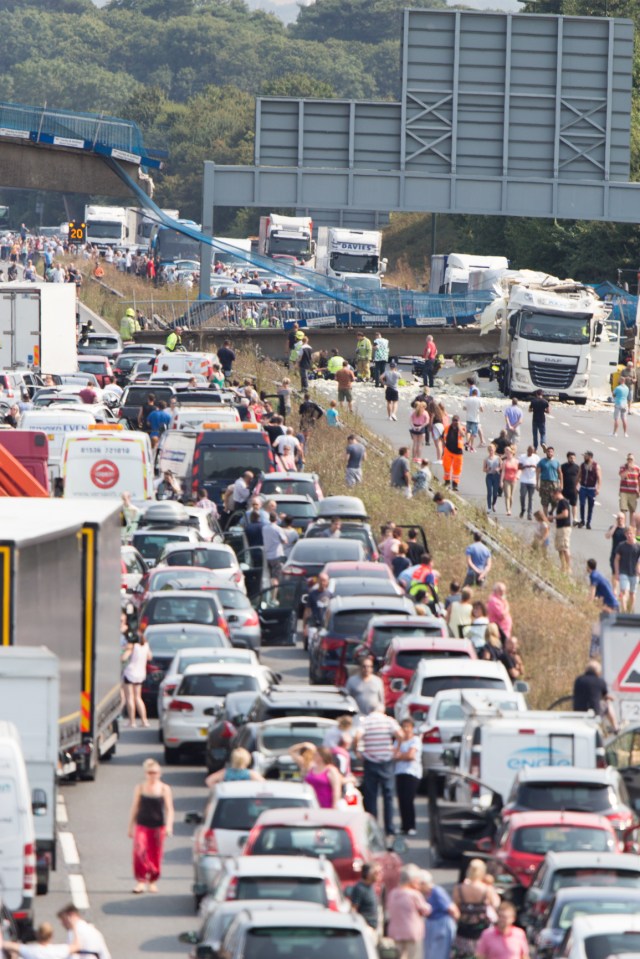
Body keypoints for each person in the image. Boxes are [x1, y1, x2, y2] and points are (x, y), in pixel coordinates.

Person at [127, 758, 174, 895]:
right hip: (142, 824)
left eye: (155, 773)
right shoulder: (140, 788)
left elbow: (169, 809)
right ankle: (141, 880)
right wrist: (130, 826)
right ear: (145, 773)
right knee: (140, 851)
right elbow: (135, 807)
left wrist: (169, 826)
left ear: (160, 773)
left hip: (158, 826)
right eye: (150, 773)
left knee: (155, 854)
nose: (152, 775)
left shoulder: (165, 789)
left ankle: (152, 881)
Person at [354, 705, 402, 838]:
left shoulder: (366, 721)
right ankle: (389, 828)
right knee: (388, 796)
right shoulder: (388, 721)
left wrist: (357, 751)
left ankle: (373, 828)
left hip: (370, 760)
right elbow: (400, 735)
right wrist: (396, 749)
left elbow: (357, 736)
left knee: (371, 796)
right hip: (386, 760)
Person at [452, 859, 500, 959]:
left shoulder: (459, 888)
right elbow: (496, 903)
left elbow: (455, 906)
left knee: (462, 954)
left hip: (463, 928)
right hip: (480, 928)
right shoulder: (486, 889)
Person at [387, 865, 431, 959]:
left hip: (395, 931)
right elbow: (426, 910)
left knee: (398, 956)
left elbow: (389, 908)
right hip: (412, 931)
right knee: (412, 956)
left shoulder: (393, 893)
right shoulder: (414, 894)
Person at [288, 742, 342, 808]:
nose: (313, 756)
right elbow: (291, 751)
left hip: (326, 805)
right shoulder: (310, 767)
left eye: (316, 754)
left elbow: (336, 789)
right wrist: (303, 745)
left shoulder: (331, 770)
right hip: (311, 804)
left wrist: (334, 805)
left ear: (321, 757)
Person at [421, 871, 459, 959]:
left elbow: (452, 909)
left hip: (441, 925)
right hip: (432, 924)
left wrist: (456, 925)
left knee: (440, 953)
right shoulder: (426, 893)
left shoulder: (437, 891)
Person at [394, 718, 421, 835]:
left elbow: (411, 755)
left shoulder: (415, 740)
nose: (405, 729)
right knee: (401, 800)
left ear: (412, 728)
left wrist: (401, 756)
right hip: (400, 772)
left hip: (412, 773)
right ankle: (404, 826)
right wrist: (400, 745)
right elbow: (394, 754)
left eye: (408, 727)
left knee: (408, 799)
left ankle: (411, 826)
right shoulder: (398, 741)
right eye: (403, 727)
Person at [573, 660, 618, 731]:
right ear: (597, 671)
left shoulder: (578, 680)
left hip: (578, 712)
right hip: (594, 712)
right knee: (607, 703)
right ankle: (615, 727)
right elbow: (605, 696)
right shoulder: (600, 681)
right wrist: (612, 697)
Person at [121, 631, 152, 728]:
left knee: (130, 697)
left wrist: (125, 650)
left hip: (130, 672)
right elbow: (149, 657)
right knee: (138, 697)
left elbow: (123, 658)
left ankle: (132, 721)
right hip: (141, 673)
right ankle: (144, 720)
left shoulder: (132, 646)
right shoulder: (145, 645)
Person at [2, 921, 81, 958]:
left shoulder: (30, 950)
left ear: (37, 934)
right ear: (51, 936)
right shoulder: (58, 950)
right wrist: (74, 927)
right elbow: (77, 946)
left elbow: (4, 944)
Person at [348, 862, 382, 937]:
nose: (379, 875)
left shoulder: (371, 887)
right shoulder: (360, 888)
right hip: (366, 929)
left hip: (373, 928)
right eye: (376, 873)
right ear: (368, 874)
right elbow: (353, 909)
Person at [302, 572, 334, 649]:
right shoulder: (312, 594)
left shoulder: (330, 595)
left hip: (324, 625)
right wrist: (305, 626)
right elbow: (307, 611)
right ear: (318, 581)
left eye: (324, 581)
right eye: (321, 580)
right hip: (313, 623)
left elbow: (331, 611)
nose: (322, 583)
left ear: (327, 582)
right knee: (312, 644)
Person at [614, 526, 640, 612]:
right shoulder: (621, 546)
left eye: (631, 533)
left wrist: (638, 568)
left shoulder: (638, 546)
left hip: (634, 573)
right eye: (627, 533)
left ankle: (630, 610)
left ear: (634, 534)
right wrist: (617, 572)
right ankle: (624, 611)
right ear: (625, 535)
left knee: (632, 593)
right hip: (623, 572)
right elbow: (617, 559)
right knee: (624, 591)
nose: (629, 535)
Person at [262, 511, 288, 583]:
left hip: (267, 555)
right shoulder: (278, 529)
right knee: (276, 577)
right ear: (276, 519)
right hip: (276, 555)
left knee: (269, 576)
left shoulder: (264, 528)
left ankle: (269, 591)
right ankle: (274, 593)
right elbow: (285, 541)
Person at [577, 451, 601, 529]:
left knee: (590, 506)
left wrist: (598, 488)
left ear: (590, 457)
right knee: (582, 504)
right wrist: (576, 485)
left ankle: (588, 522)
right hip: (583, 487)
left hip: (591, 489)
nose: (584, 457)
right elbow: (579, 476)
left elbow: (599, 478)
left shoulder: (596, 466)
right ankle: (582, 520)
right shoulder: (582, 465)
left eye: (585, 456)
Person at [536, 446, 561, 518]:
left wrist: (561, 484)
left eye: (551, 452)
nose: (550, 453)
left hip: (554, 483)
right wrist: (537, 483)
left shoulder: (556, 462)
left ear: (553, 453)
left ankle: (551, 512)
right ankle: (545, 517)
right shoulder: (542, 462)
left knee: (555, 502)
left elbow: (560, 473)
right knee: (545, 502)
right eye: (548, 452)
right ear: (546, 452)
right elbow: (538, 472)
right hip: (544, 483)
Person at [442, 414, 465, 491]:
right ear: (452, 421)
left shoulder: (461, 428)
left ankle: (455, 484)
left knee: (457, 469)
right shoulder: (447, 428)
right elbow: (442, 438)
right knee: (446, 466)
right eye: (454, 420)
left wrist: (458, 426)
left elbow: (463, 435)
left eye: (456, 420)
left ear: (459, 421)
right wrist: (443, 449)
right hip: (448, 450)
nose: (455, 422)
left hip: (458, 452)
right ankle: (447, 481)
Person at [552, 487, 572, 573]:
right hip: (560, 527)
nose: (552, 496)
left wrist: (554, 517)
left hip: (564, 527)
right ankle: (563, 566)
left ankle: (568, 567)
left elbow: (565, 514)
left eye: (553, 494)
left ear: (557, 493)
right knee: (560, 547)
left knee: (564, 547)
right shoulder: (560, 502)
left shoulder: (563, 502)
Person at [606, 512, 627, 591]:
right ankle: (614, 590)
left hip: (624, 556)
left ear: (624, 519)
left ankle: (622, 590)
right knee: (614, 573)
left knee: (623, 574)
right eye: (618, 518)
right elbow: (607, 536)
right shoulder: (613, 528)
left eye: (621, 518)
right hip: (614, 554)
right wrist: (615, 526)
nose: (620, 520)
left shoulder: (626, 530)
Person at [619, 453, 640, 525]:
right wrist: (628, 469)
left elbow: (639, 480)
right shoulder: (623, 467)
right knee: (623, 509)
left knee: (632, 510)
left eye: (631, 459)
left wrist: (639, 490)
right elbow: (622, 476)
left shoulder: (637, 469)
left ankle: (631, 527)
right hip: (624, 491)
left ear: (634, 460)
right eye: (628, 459)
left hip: (633, 491)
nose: (630, 460)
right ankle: (623, 526)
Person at [561, 451, 580, 525]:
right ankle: (564, 518)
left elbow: (580, 478)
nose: (572, 459)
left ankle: (574, 519)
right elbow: (560, 476)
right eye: (571, 458)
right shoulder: (563, 466)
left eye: (573, 458)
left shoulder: (577, 467)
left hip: (574, 489)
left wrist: (578, 487)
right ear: (568, 458)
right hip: (565, 488)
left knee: (574, 504)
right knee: (564, 504)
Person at [500, 446, 519, 517]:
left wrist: (517, 476)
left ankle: (510, 508)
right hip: (506, 480)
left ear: (512, 452)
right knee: (507, 495)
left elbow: (519, 470)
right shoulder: (505, 462)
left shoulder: (516, 461)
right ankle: (508, 509)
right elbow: (503, 472)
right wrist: (501, 481)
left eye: (508, 452)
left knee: (511, 496)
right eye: (506, 452)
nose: (507, 453)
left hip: (513, 480)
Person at [463, 388, 483, 452]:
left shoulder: (467, 399)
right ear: (477, 394)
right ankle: (471, 445)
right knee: (474, 433)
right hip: (475, 418)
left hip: (468, 417)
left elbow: (464, 408)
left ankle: (467, 442)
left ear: (472, 393)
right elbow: (481, 409)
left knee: (468, 431)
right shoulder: (479, 400)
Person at [483, 444, 501, 513]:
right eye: (490, 450)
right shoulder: (486, 459)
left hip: (496, 476)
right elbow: (483, 469)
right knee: (489, 492)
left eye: (492, 450)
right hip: (489, 476)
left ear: (494, 450)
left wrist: (498, 469)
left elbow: (501, 466)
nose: (491, 451)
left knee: (495, 493)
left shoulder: (498, 458)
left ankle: (493, 504)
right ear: (488, 451)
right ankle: (489, 507)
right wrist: (487, 469)